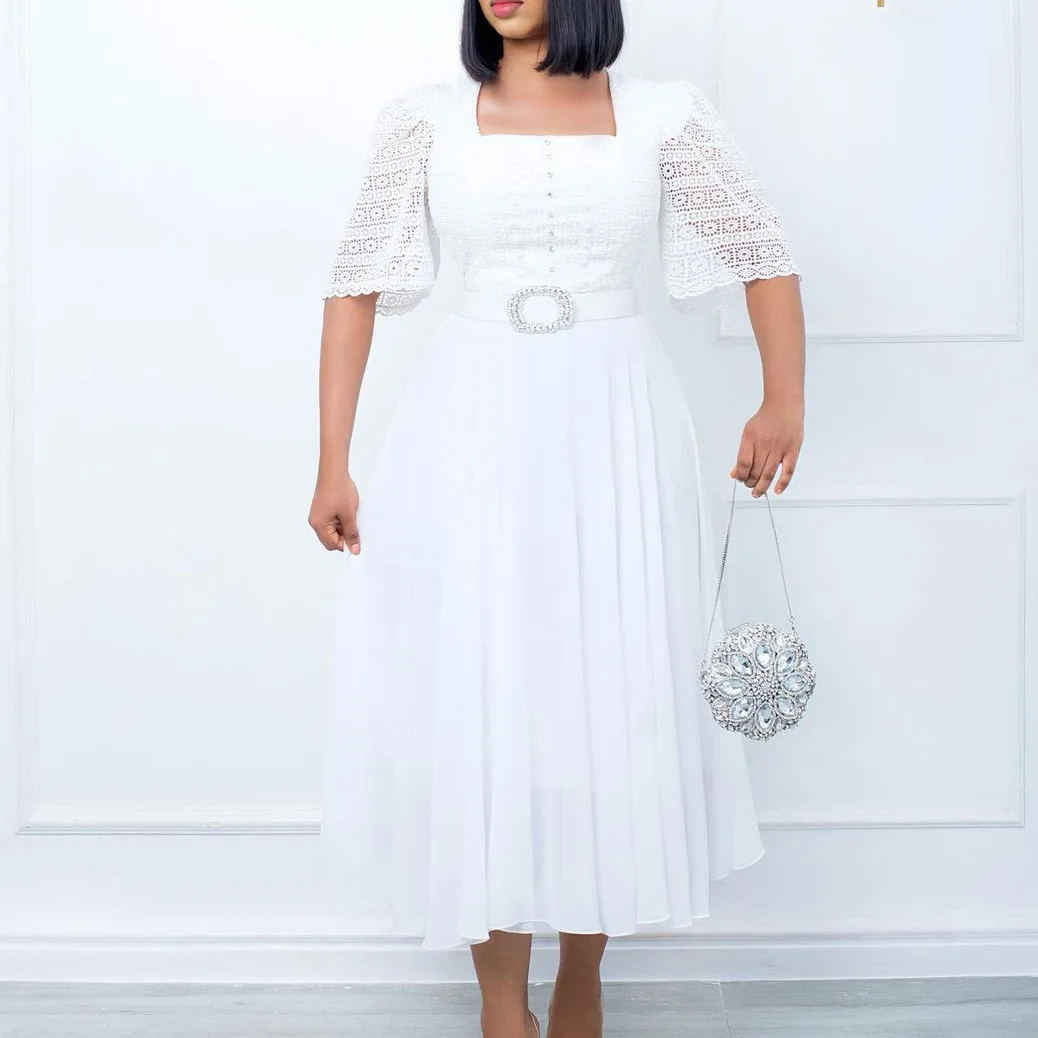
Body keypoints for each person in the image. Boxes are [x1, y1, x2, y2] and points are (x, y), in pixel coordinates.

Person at [310, 0, 806, 1034]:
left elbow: (765, 255)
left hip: (616, 426)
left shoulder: (667, 113)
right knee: (482, 690)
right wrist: (332, 462)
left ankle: (583, 979)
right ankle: (502, 1005)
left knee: (611, 693)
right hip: (469, 429)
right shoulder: (423, 118)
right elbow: (354, 287)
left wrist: (783, 400)